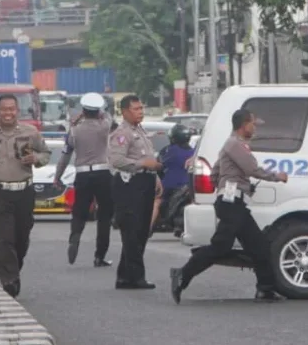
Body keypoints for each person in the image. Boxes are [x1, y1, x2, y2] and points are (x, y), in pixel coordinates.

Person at [171, 108, 287, 304]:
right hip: (231, 203)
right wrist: (277, 176)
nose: (254, 128)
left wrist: (228, 185)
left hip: (233, 202)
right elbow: (252, 169)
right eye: (252, 123)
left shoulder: (231, 145)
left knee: (259, 245)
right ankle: (182, 274)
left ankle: (265, 290)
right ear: (243, 125)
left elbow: (215, 173)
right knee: (220, 246)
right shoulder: (236, 145)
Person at [0, 95, 50, 299]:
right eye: (4, 110)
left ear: (18, 111)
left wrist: (37, 159)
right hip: (0, 192)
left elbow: (46, 153)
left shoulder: (30, 133)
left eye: (12, 109)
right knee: (5, 238)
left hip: (24, 191)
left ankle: (13, 269)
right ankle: (9, 280)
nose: (8, 113)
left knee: (21, 239)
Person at [107, 94, 161, 290]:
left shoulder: (141, 131)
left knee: (141, 230)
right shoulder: (122, 133)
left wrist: (156, 178)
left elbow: (149, 157)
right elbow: (117, 161)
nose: (140, 112)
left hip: (145, 181)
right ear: (125, 111)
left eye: (141, 108)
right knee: (132, 230)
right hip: (129, 184)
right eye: (136, 109)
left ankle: (124, 276)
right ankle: (136, 276)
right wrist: (142, 164)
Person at [56, 92, 115, 267]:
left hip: (82, 174)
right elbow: (109, 116)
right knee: (104, 216)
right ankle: (100, 255)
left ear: (83, 110)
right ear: (98, 111)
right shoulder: (105, 125)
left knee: (79, 211)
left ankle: (75, 236)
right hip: (103, 173)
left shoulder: (74, 130)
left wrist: (58, 176)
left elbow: (65, 156)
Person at [157, 123, 196, 229]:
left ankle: (148, 227)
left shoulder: (169, 150)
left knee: (156, 200)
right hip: (189, 185)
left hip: (169, 186)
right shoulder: (194, 152)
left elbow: (160, 165)